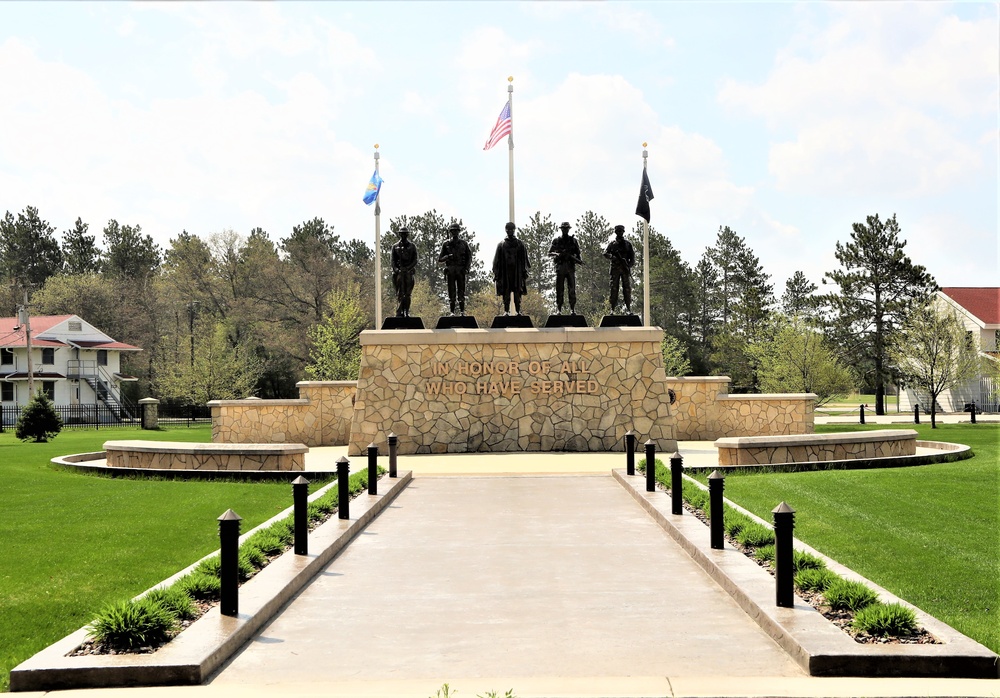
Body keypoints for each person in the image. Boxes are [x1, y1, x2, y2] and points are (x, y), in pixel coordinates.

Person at [492, 222, 530, 315]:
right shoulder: (501, 244)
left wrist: (524, 271)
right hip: (505, 272)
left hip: (517, 272)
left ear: (514, 230)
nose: (510, 231)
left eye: (512, 229)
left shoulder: (520, 244)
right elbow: (496, 260)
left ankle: (518, 311)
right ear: (506, 230)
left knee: (518, 292)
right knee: (506, 291)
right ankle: (506, 311)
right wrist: (496, 273)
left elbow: (524, 259)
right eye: (508, 229)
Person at [548, 221, 584, 314]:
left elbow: (578, 253)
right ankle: (559, 309)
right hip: (560, 267)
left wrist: (578, 260)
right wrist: (558, 254)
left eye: (566, 229)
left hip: (570, 267)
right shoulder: (557, 240)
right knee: (559, 289)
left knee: (572, 289)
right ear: (561, 229)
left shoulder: (573, 241)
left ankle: (572, 309)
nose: (565, 230)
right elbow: (550, 252)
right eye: (563, 229)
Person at [437, 223, 472, 315]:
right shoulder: (446, 244)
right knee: (451, 291)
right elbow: (440, 258)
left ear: (458, 232)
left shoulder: (464, 244)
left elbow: (469, 257)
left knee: (461, 291)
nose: (454, 233)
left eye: (456, 231)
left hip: (460, 270)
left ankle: (462, 311)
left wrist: (467, 268)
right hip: (451, 270)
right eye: (453, 231)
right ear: (450, 232)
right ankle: (452, 311)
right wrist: (448, 256)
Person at [603, 224, 635, 313]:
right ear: (616, 232)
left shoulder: (628, 244)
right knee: (614, 289)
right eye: (618, 231)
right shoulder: (612, 244)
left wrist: (628, 265)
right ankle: (612, 309)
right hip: (615, 270)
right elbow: (605, 253)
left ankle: (628, 308)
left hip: (624, 270)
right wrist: (613, 257)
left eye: (621, 231)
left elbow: (632, 257)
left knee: (627, 289)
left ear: (623, 232)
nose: (620, 233)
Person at [391, 227, 418, 317]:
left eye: (405, 233)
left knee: (408, 294)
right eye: (402, 234)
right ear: (400, 234)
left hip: (408, 272)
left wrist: (408, 268)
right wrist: (397, 270)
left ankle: (406, 311)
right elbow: (393, 261)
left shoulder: (412, 246)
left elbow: (415, 260)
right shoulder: (395, 247)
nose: (403, 235)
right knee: (399, 293)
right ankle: (400, 311)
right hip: (399, 273)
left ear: (407, 234)